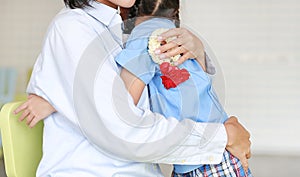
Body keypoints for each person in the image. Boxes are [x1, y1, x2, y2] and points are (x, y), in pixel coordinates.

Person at [14, 0, 251, 176]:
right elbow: (124, 128)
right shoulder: (73, 27)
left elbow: (152, 94)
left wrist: (197, 51)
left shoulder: (123, 30)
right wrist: (222, 136)